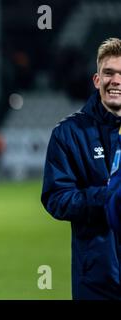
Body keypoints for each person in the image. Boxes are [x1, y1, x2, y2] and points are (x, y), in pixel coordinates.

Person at [42, 37, 121, 300]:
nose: (116, 80)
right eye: (109, 73)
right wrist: (108, 197)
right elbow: (56, 198)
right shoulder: (69, 133)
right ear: (97, 80)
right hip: (97, 280)